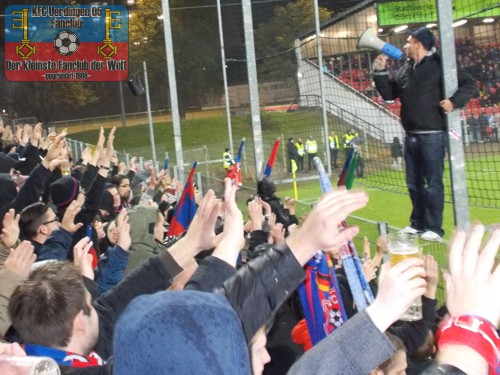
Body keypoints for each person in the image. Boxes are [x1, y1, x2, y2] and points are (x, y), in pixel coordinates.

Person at [373, 27, 478, 241]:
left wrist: (453, 102)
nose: (406, 45)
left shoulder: (441, 64)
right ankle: (418, 224)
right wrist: (380, 73)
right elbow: (389, 94)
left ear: (419, 44)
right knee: (413, 184)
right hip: (411, 135)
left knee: (433, 184)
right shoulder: (406, 69)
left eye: (409, 41)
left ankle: (434, 228)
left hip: (433, 135)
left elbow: (470, 84)